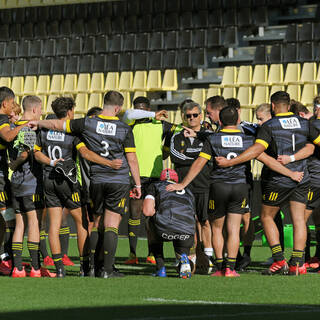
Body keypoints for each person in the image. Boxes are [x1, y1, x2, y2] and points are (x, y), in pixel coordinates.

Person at [30, 91, 141, 278]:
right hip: (104, 180)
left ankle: (62, 269)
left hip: (71, 179)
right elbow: (128, 158)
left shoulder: (86, 124)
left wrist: (38, 123)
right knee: (93, 223)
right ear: (118, 108)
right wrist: (135, 183)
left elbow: (52, 131)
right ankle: (96, 268)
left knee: (85, 223)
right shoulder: (120, 129)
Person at [215, 91, 320, 275]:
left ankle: (279, 260)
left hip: (278, 179)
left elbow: (257, 150)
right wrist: (296, 157)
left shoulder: (270, 125)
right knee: (299, 219)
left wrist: (231, 162)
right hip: (302, 176)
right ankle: (297, 262)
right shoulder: (305, 123)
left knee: (266, 217)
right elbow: (314, 144)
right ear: (288, 105)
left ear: (272, 106)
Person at [122, 97, 174, 265]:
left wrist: (163, 149)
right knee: (135, 214)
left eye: (143, 109)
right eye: (139, 110)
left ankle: (152, 253)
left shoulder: (162, 125)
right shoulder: (130, 123)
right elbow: (130, 113)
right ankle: (133, 253)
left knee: (151, 215)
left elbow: (171, 140)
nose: (140, 113)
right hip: (135, 176)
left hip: (155, 176)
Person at [8, 96, 54, 278]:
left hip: (16, 183)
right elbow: (26, 153)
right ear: (34, 110)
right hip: (31, 183)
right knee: (34, 224)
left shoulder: (12, 127)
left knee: (20, 225)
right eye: (41, 109)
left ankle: (18, 268)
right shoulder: (29, 127)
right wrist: (15, 163)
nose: (42, 112)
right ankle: (35, 268)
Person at [170, 101, 213, 272]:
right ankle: (187, 258)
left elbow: (210, 155)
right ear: (183, 117)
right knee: (186, 222)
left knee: (205, 221)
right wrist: (199, 159)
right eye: (188, 116)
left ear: (201, 116)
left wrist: (192, 156)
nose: (192, 118)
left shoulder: (208, 134)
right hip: (183, 185)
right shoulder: (177, 136)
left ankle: (208, 258)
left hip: (204, 183)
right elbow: (175, 157)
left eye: (195, 115)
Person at [142, 168, 196, 278]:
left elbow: (147, 211)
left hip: (164, 229)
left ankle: (160, 268)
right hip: (187, 232)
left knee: (150, 220)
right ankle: (183, 258)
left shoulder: (154, 186)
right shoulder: (188, 190)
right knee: (181, 224)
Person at [0, 87, 29, 275]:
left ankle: (6, 258)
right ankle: (7, 259)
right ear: (4, 103)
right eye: (11, 103)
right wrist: (22, 126)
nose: (13, 106)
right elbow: (8, 136)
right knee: (8, 219)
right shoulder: (1, 119)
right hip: (0, 177)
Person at [288, 100, 320, 268]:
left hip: (313, 179)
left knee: (300, 219)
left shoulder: (310, 126)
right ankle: (314, 259)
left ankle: (301, 259)